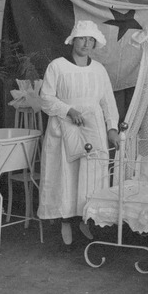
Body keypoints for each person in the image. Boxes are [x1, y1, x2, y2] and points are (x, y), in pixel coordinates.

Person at [38, 20, 120, 246]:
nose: (86, 43)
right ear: (73, 39)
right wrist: (68, 110)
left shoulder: (99, 69)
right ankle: (65, 221)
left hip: (92, 129)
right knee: (66, 174)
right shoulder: (57, 66)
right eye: (82, 38)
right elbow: (46, 99)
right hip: (64, 129)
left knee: (89, 173)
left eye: (91, 39)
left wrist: (112, 128)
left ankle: (85, 217)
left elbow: (107, 102)